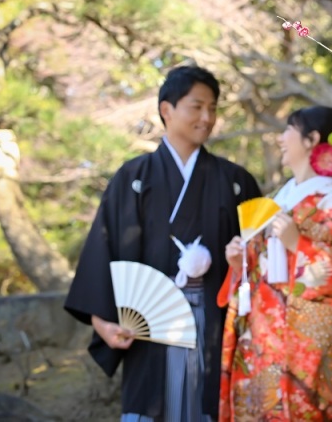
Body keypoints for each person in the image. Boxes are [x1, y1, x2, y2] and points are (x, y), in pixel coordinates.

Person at [64, 64, 262, 421]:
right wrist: (102, 321)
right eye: (197, 106)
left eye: (213, 108)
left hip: (215, 320)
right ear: (166, 109)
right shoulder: (132, 178)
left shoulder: (236, 180)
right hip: (148, 324)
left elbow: (261, 257)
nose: (207, 117)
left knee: (210, 404)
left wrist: (242, 265)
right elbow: (102, 249)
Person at [218, 105, 332, 422]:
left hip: (306, 349)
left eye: (289, 129)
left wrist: (298, 245)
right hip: (260, 341)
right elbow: (256, 272)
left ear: (311, 139)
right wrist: (239, 263)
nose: (281, 138)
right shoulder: (278, 199)